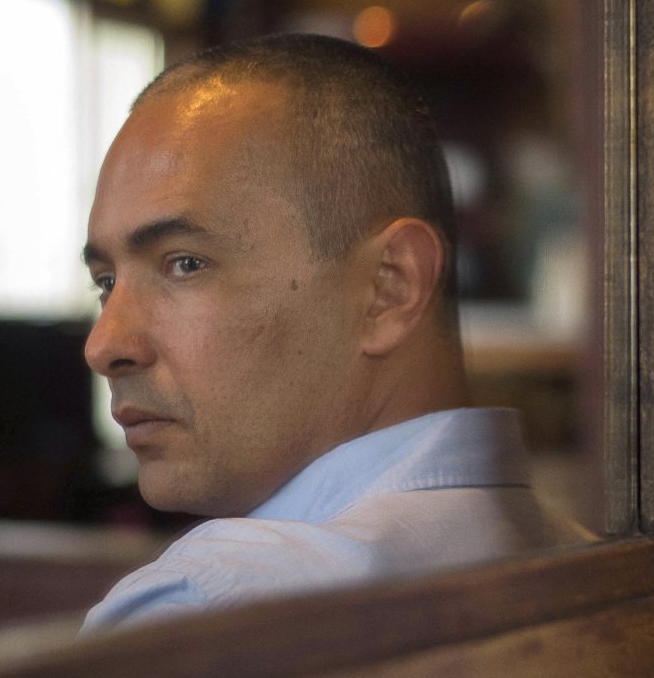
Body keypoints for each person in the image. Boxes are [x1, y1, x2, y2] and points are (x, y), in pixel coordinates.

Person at [79, 34, 591, 632]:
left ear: (388, 287)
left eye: (185, 263)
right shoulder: (582, 555)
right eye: (106, 282)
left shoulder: (198, 610)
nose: (104, 345)